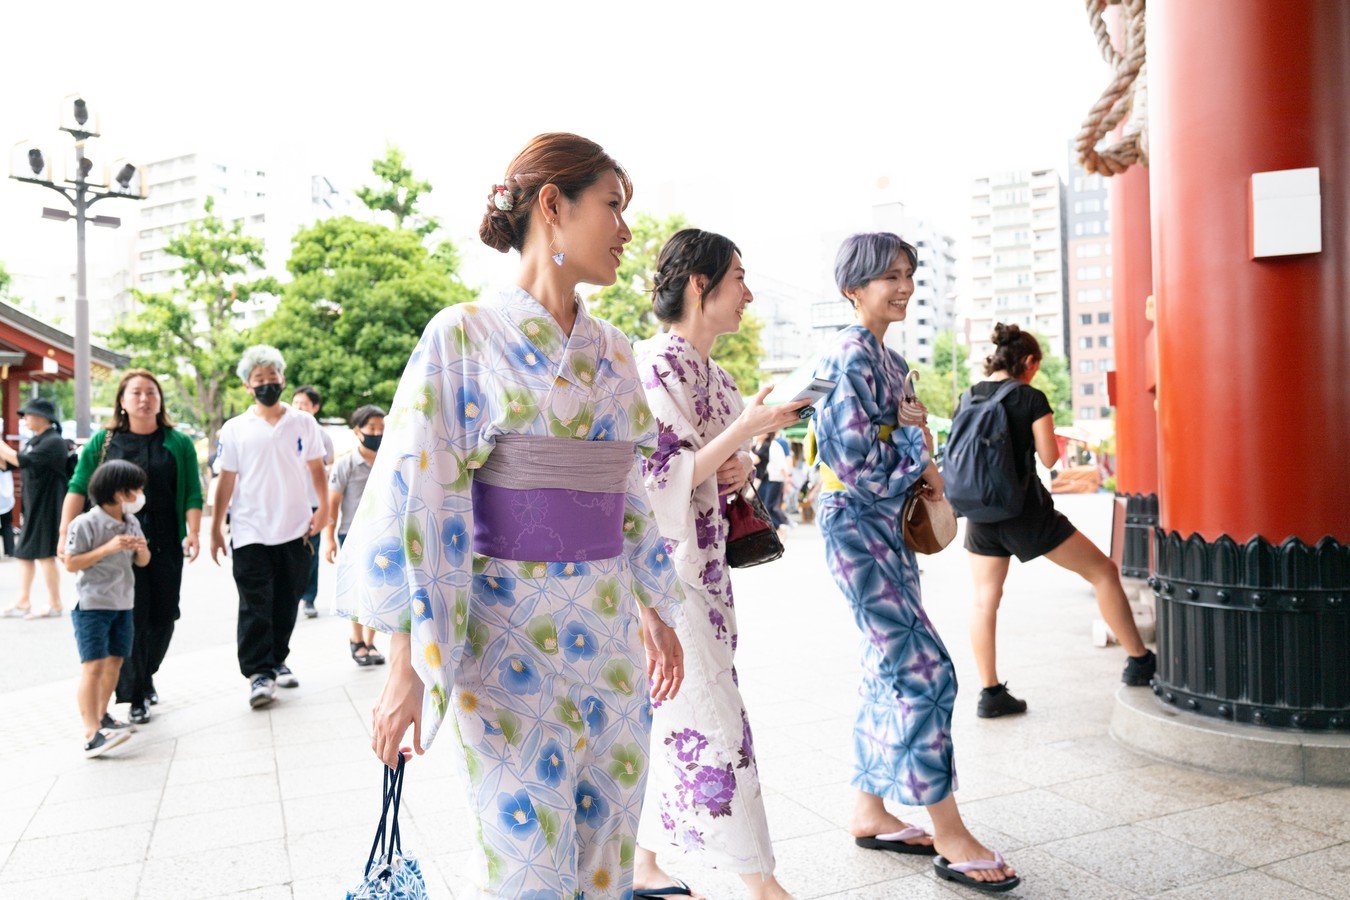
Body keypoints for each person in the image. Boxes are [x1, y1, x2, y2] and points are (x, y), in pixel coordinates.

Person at [335, 132, 685, 900]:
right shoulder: (462, 335)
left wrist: (656, 607)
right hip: (504, 644)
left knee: (607, 851)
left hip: (610, 639)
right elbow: (414, 505)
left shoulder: (618, 352)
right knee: (524, 863)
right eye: (613, 206)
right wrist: (403, 670)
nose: (627, 230)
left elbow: (626, 493)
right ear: (553, 206)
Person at [813, 233, 1019, 892]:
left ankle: (870, 810)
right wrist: (914, 451)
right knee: (926, 671)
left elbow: (903, 444)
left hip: (886, 532)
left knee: (888, 665)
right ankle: (950, 831)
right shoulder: (850, 356)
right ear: (852, 288)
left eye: (907, 274)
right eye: (887, 277)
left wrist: (912, 441)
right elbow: (852, 464)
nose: (902, 286)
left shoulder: (889, 359)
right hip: (857, 527)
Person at [634, 229, 806, 900]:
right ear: (700, 285)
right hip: (668, 576)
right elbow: (658, 483)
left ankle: (643, 863)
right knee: (715, 714)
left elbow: (712, 472)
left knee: (685, 711)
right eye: (738, 276)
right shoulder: (655, 365)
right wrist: (743, 433)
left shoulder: (715, 374)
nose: (749, 291)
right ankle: (761, 884)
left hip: (707, 569)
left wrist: (737, 459)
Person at [963, 324, 1155, 718]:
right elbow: (1050, 458)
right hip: (1026, 513)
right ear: (1029, 362)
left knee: (985, 601)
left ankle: (991, 692)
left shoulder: (968, 396)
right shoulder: (1030, 396)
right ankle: (1139, 662)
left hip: (981, 513)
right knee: (1103, 571)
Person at [59, 369, 203, 725]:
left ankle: (146, 674)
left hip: (165, 542)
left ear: (160, 400)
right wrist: (65, 533)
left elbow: (192, 492)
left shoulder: (177, 442)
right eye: (135, 393)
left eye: (151, 392)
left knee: (164, 615)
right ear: (122, 401)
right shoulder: (103, 441)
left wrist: (195, 531)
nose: (144, 399)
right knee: (131, 617)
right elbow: (78, 486)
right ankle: (135, 693)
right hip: (115, 543)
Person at [211, 345, 328, 710]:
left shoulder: (303, 422)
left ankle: (277, 658)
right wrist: (215, 526)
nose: (267, 384)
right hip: (250, 530)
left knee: (287, 600)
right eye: (258, 379)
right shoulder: (235, 429)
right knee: (255, 602)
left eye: (272, 377)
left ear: (283, 378)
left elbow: (317, 469)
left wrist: (323, 509)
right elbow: (226, 480)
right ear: (247, 385)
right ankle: (258, 673)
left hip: (295, 529)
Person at [64, 459, 150, 758]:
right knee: (94, 666)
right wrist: (108, 548)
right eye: (134, 489)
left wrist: (141, 550)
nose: (139, 495)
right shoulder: (86, 523)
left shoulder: (131, 522)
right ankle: (90, 733)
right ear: (116, 491)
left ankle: (102, 716)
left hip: (123, 602)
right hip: (91, 605)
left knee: (114, 662)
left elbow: (143, 562)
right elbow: (71, 563)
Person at [323, 404, 386, 667]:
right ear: (357, 431)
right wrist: (329, 537)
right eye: (371, 428)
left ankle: (371, 642)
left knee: (380, 588)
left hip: (383, 532)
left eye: (381, 428)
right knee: (358, 588)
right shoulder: (346, 463)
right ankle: (357, 640)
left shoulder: (389, 459)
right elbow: (333, 503)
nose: (377, 433)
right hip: (352, 533)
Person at [0, 398, 68, 618]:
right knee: (25, 554)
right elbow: (11, 462)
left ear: (42, 418)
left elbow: (23, 461)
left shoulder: (53, 441)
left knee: (45, 555)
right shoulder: (36, 440)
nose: (25, 419)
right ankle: (23, 600)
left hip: (47, 506)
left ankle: (56, 603)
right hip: (34, 506)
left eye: (28, 415)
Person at [291, 385, 334, 620]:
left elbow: (329, 468)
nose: (299, 408)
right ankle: (291, 596)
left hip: (315, 503)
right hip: (291, 503)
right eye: (296, 403)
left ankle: (309, 598)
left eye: (304, 404)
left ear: (315, 408)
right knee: (290, 552)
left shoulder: (323, 435)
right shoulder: (286, 430)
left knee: (312, 552)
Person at [754, 430, 789, 531]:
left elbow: (782, 465)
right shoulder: (759, 445)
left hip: (775, 479)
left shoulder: (773, 445)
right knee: (765, 505)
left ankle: (781, 525)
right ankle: (776, 526)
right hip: (766, 479)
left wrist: (786, 481)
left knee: (769, 505)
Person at [0, 463, 14, 558]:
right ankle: (10, 550)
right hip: (6, 497)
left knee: (7, 524)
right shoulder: (6, 460)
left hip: (4, 498)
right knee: (7, 524)